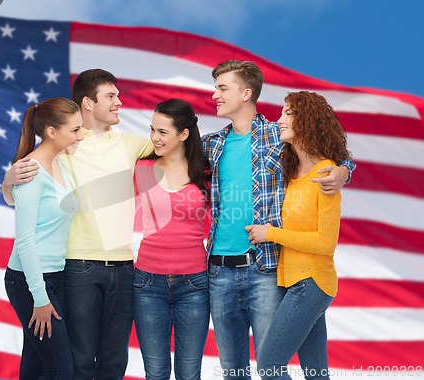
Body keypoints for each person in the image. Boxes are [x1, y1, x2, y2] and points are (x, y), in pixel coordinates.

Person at [201, 60, 356, 379]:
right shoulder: (211, 144)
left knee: (270, 366)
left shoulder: (278, 135)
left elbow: (333, 158)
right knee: (234, 372)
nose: (214, 94)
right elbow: (169, 147)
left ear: (246, 93)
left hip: (264, 268)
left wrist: (343, 172)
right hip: (218, 271)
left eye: (222, 87)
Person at [2, 69, 153, 379]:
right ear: (87, 102)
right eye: (111, 96)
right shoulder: (66, 143)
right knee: (73, 363)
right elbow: (22, 197)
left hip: (121, 266)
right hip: (75, 267)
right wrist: (8, 181)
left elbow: (176, 148)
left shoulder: (131, 144)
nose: (119, 102)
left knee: (108, 364)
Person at [247, 91, 350, 379]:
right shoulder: (290, 172)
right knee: (316, 374)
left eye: (287, 113)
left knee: (269, 365)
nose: (280, 120)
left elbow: (325, 243)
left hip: (311, 283)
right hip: (294, 283)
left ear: (307, 120)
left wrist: (272, 234)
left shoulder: (325, 173)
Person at [4, 97, 82, 380]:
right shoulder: (31, 171)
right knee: (60, 370)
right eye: (74, 130)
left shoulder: (61, 164)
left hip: (55, 276)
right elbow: (25, 241)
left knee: (37, 364)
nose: (80, 135)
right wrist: (40, 297)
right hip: (29, 281)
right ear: (51, 132)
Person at [133, 99, 211, 380]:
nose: (154, 137)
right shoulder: (141, 169)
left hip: (195, 285)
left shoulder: (205, 173)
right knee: (155, 373)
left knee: (189, 374)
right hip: (146, 284)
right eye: (152, 129)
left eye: (162, 132)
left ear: (184, 134)